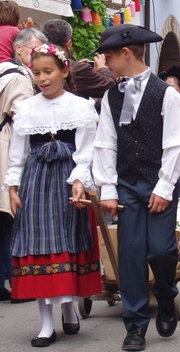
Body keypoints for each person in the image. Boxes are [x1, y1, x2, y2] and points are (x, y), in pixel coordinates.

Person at [91, 24, 180, 351]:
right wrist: (107, 189)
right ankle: (134, 326)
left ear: (127, 53)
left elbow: (177, 144)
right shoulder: (111, 96)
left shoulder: (168, 94)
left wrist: (163, 188)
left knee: (161, 250)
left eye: (108, 55)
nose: (104, 62)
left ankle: (164, 294)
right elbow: (105, 144)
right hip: (127, 186)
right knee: (131, 256)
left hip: (159, 182)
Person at [3, 44, 101, 347]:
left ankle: (69, 306)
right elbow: (17, 153)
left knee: (67, 243)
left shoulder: (80, 107)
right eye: (37, 73)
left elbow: (86, 151)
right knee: (38, 247)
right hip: (36, 182)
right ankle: (45, 323)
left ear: (64, 71)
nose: (43, 78)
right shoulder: (27, 108)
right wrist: (12, 187)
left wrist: (80, 180)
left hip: (67, 183)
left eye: (49, 71)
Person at [0, 28, 46, 303]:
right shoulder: (18, 79)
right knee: (11, 218)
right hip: (8, 148)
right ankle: (17, 283)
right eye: (35, 49)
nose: (39, 55)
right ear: (19, 49)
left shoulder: (3, 71)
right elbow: (26, 121)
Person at [42, 19, 116, 100]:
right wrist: (102, 68)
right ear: (68, 44)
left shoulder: (37, 62)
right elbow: (111, 88)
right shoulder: (78, 69)